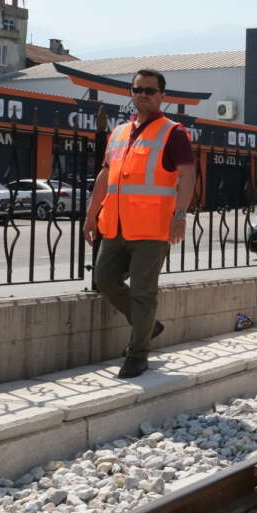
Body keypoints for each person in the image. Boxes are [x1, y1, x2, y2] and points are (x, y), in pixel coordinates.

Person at [84, 69, 197, 379]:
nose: (143, 94)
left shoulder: (172, 132)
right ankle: (148, 327)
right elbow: (105, 176)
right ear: (131, 93)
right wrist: (91, 215)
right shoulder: (118, 132)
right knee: (104, 280)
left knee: (143, 292)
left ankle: (137, 355)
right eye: (138, 89)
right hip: (115, 226)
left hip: (152, 228)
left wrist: (180, 215)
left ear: (162, 96)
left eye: (150, 90)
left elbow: (188, 175)